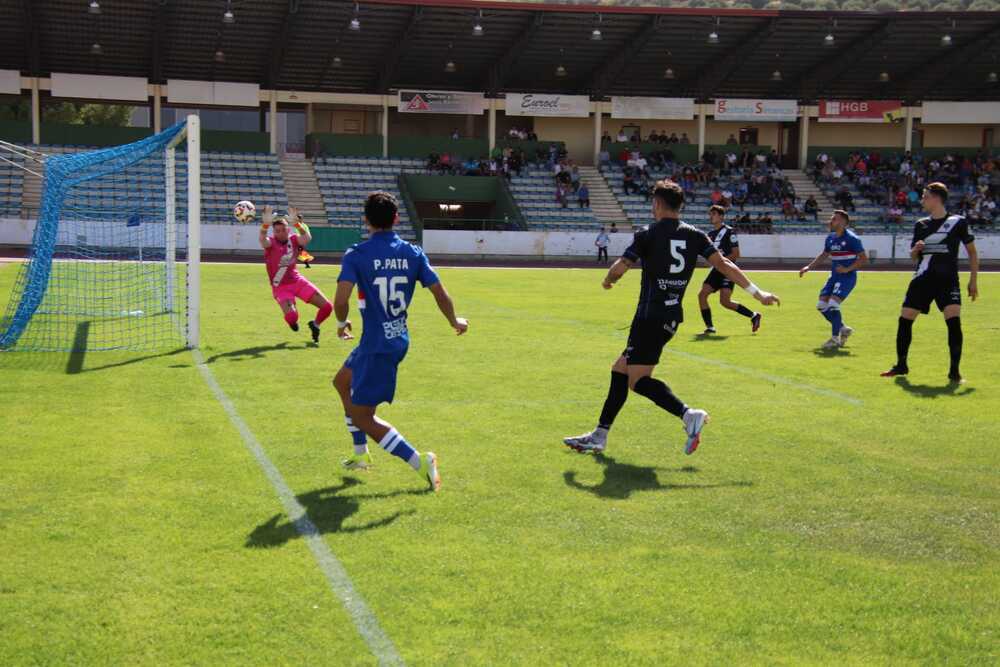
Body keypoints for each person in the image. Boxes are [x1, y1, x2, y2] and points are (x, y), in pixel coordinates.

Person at [563, 180, 780, 456]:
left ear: (657, 204)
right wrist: (757, 292)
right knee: (620, 369)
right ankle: (600, 434)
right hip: (671, 316)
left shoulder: (648, 233)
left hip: (649, 316)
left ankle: (689, 415)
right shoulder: (696, 235)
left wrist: (608, 280)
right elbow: (725, 264)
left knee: (638, 380)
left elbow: (621, 267)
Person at [332, 192, 469, 490]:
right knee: (342, 382)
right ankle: (360, 455)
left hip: (376, 346)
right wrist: (454, 321)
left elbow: (340, 299)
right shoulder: (412, 253)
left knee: (364, 417)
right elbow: (440, 293)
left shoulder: (357, 254)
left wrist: (342, 323)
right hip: (391, 338)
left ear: (366, 219)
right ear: (396, 218)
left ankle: (420, 462)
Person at [881, 182, 979, 382]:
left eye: (925, 196)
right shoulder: (921, 224)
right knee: (905, 320)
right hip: (922, 279)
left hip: (948, 280)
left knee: (953, 323)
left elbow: (972, 252)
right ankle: (901, 365)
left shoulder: (958, 222)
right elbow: (914, 257)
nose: (922, 200)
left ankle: (955, 372)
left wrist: (973, 281)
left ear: (936, 198)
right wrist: (915, 250)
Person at [258, 205, 332, 343]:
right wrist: (265, 225)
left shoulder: (293, 239)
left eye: (283, 230)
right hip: (280, 287)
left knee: (327, 307)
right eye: (277, 231)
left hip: (297, 281)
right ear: (273, 232)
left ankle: (315, 325)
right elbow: (263, 240)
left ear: (288, 229)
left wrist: (297, 224)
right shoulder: (271, 243)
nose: (280, 233)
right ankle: (292, 319)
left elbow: (306, 237)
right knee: (292, 317)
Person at [799, 210, 867, 349]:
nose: (831, 221)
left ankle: (835, 338)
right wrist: (809, 267)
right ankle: (843, 329)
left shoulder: (852, 239)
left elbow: (863, 259)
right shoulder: (830, 238)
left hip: (847, 277)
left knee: (833, 305)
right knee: (821, 306)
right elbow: (824, 254)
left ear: (843, 222)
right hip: (834, 277)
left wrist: (847, 269)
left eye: (834, 219)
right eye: (831, 219)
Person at [697, 205, 761, 335]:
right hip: (716, 269)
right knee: (702, 295)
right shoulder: (710, 235)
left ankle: (753, 315)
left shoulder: (729, 232)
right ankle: (710, 327)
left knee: (725, 301)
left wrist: (721, 262)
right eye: (710, 214)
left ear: (721, 216)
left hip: (727, 270)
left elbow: (736, 253)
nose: (711, 216)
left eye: (714, 214)